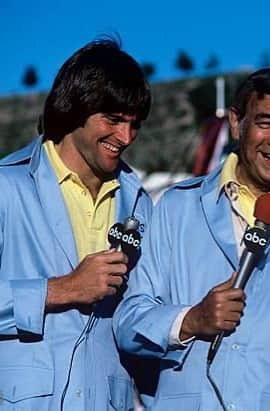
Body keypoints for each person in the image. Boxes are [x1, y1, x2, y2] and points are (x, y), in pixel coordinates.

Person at [113, 68, 270, 410]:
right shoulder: (177, 207)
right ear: (236, 122)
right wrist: (192, 319)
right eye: (266, 122)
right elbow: (128, 323)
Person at [0, 38, 153, 410]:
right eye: (113, 120)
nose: (126, 137)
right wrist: (62, 289)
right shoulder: (7, 186)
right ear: (75, 108)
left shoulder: (139, 201)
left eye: (135, 124)